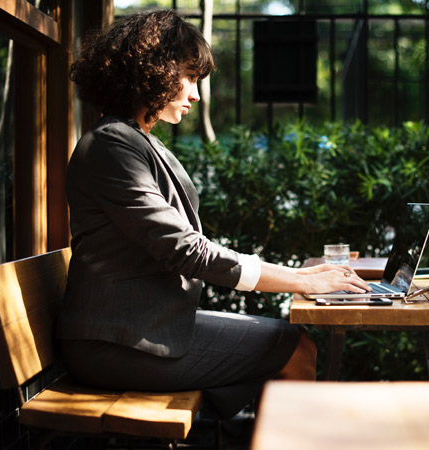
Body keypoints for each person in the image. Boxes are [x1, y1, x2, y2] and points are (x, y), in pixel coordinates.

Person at [56, 9, 371, 419]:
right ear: (154, 70)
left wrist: (305, 277)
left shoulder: (134, 140)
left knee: (284, 340)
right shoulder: (112, 144)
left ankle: (238, 429)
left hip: (144, 327)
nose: (196, 94)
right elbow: (187, 251)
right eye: (189, 77)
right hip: (116, 343)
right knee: (295, 347)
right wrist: (296, 279)